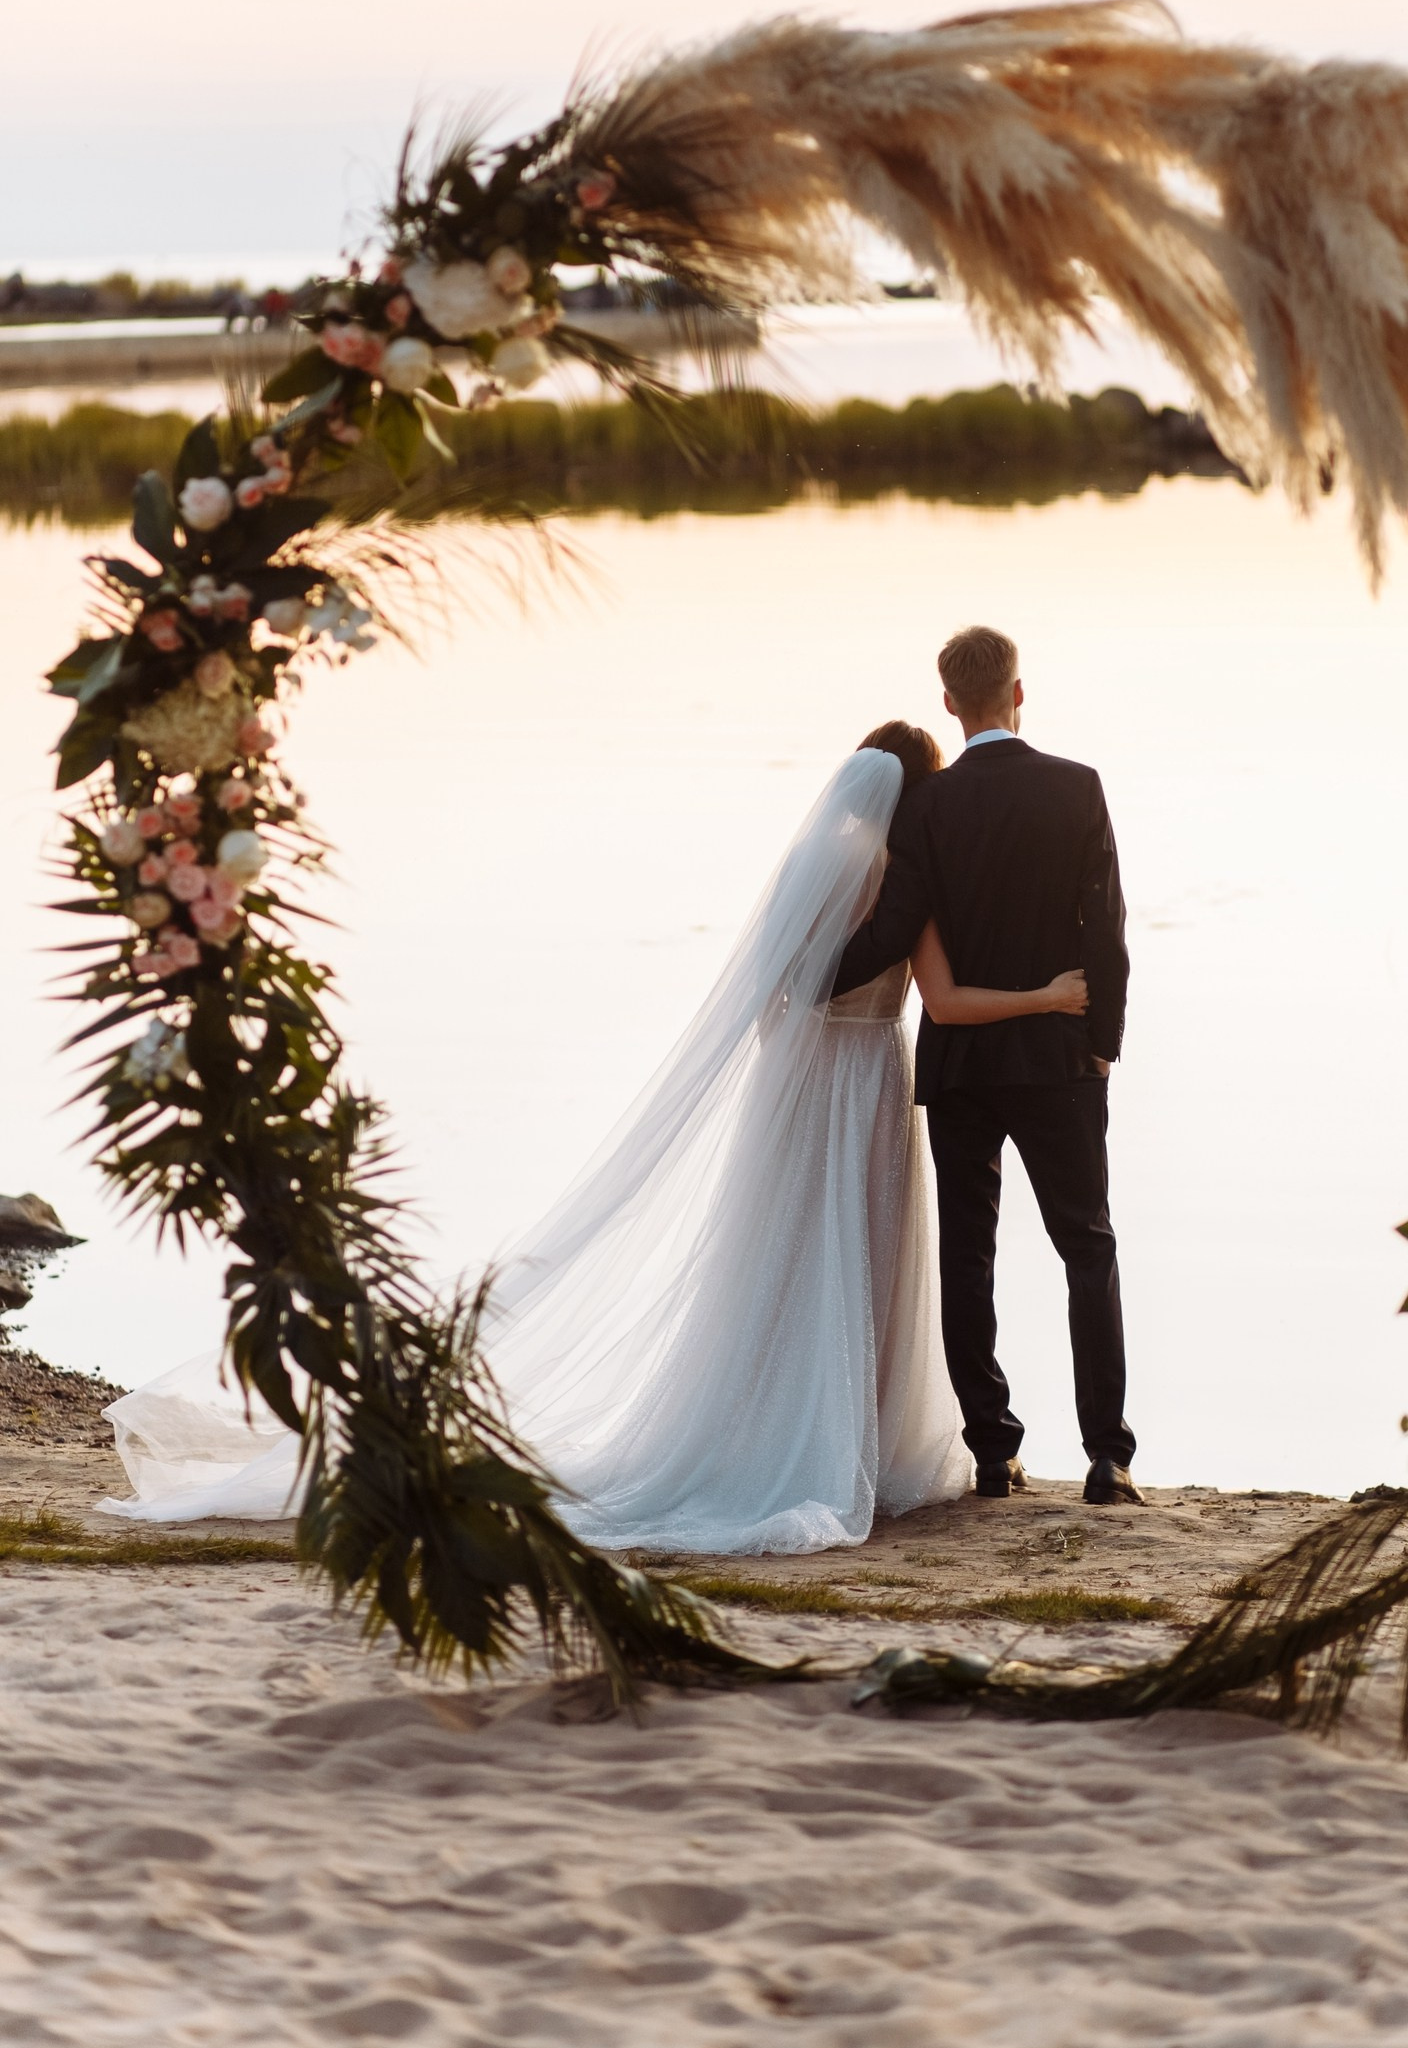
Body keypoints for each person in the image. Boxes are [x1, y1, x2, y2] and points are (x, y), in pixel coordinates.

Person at [103, 721, 1093, 1553]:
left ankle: (772, 1425)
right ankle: (855, 1448)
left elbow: (765, 1002)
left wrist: (793, 1062)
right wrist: (1051, 996)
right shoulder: (907, 882)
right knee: (868, 1257)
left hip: (795, 1082)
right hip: (872, 1077)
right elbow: (943, 997)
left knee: (782, 1260)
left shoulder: (810, 862)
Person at [833, 627, 1139, 1507]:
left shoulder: (925, 808)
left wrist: (801, 977)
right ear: (1017, 692)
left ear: (947, 703)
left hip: (961, 1066)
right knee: (1088, 1246)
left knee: (967, 1256)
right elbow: (1105, 934)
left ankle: (992, 1452)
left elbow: (892, 932)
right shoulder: (1076, 788)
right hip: (1058, 1059)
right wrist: (1101, 1047)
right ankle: (1106, 1457)